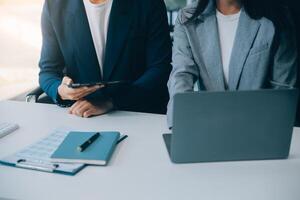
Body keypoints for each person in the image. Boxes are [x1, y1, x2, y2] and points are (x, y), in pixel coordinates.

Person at [167, 0, 298, 127]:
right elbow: (181, 75)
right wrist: (180, 122)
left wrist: (268, 130)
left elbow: (282, 89)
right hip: (209, 127)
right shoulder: (187, 18)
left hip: (259, 128)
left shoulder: (277, 17)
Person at [39, 0, 172, 118]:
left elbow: (160, 68)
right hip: (82, 114)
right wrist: (60, 91)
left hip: (137, 112)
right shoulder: (55, 5)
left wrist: (112, 102)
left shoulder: (148, 3)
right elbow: (48, 71)